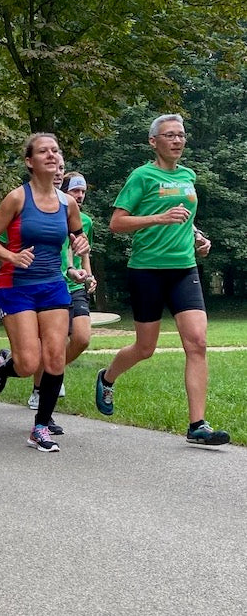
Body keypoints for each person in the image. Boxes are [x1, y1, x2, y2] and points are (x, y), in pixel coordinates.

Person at [95, 114, 229, 446]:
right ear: (154, 142)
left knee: (197, 343)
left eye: (181, 135)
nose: (178, 140)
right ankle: (107, 378)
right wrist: (160, 218)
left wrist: (199, 237)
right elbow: (116, 223)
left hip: (184, 268)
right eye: (170, 135)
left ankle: (197, 425)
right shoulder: (142, 176)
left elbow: (185, 219)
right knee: (145, 348)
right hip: (147, 270)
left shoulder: (188, 175)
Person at [0, 133, 89, 452]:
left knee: (54, 357)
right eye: (43, 151)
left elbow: (78, 238)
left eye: (56, 150)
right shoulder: (17, 198)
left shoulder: (68, 203)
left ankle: (40, 426)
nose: (52, 156)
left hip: (53, 286)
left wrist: (81, 245)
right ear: (30, 161)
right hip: (16, 287)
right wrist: (11, 256)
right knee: (27, 363)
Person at [27, 170, 96, 412]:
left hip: (76, 285)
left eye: (83, 191)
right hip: (51, 282)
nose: (79, 195)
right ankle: (40, 388)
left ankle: (53, 371)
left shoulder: (84, 220)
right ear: (62, 191)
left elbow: (83, 249)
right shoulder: (45, 215)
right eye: (75, 190)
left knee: (82, 338)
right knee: (47, 343)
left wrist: (89, 273)